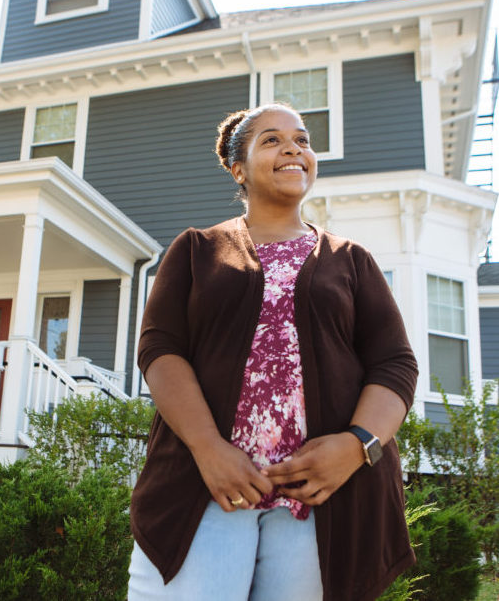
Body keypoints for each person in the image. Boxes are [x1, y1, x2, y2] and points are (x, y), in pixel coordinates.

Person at [127, 103, 418, 601]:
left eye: (302, 140)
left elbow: (394, 363)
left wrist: (356, 446)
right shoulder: (196, 250)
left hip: (323, 499)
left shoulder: (352, 260)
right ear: (237, 169)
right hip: (209, 487)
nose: (293, 149)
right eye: (272, 140)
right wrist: (208, 447)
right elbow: (161, 348)